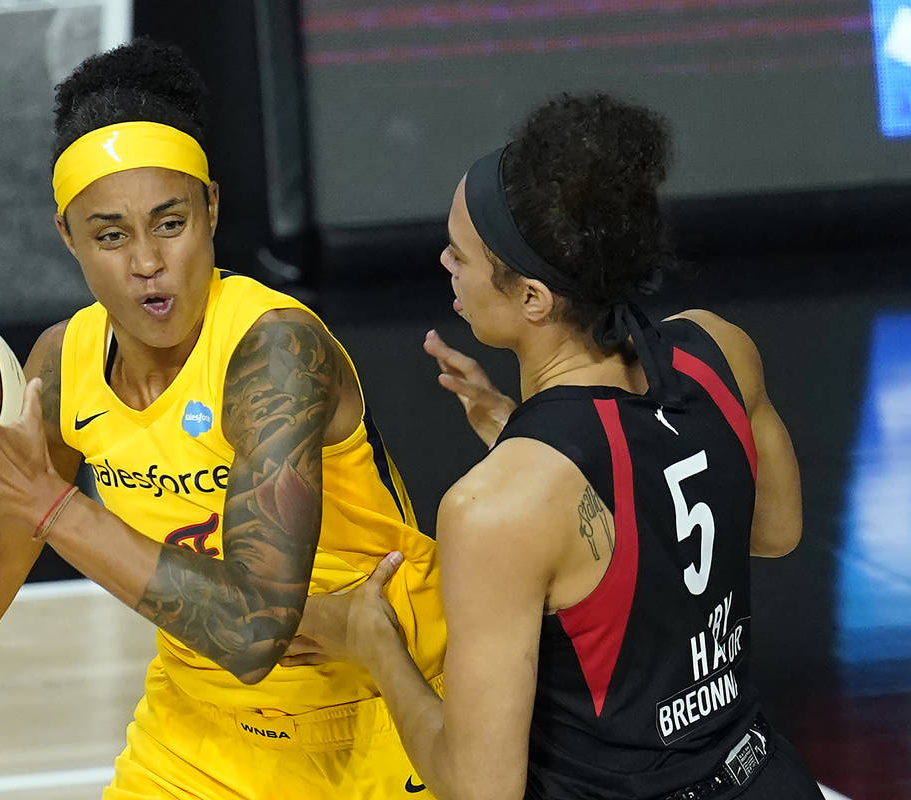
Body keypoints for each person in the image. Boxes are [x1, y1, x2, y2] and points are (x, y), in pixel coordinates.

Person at [0, 39, 446, 799]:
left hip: (381, 717)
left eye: (169, 223)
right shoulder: (61, 365)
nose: (146, 261)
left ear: (211, 208)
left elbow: (252, 630)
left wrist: (46, 505)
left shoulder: (275, 350)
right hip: (198, 728)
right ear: (67, 236)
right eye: (111, 235)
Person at [281, 94, 827, 800]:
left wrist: (374, 643)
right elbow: (774, 532)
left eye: (459, 251)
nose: (444, 261)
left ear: (533, 298)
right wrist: (527, 438)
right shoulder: (719, 348)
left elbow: (481, 791)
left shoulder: (497, 507)